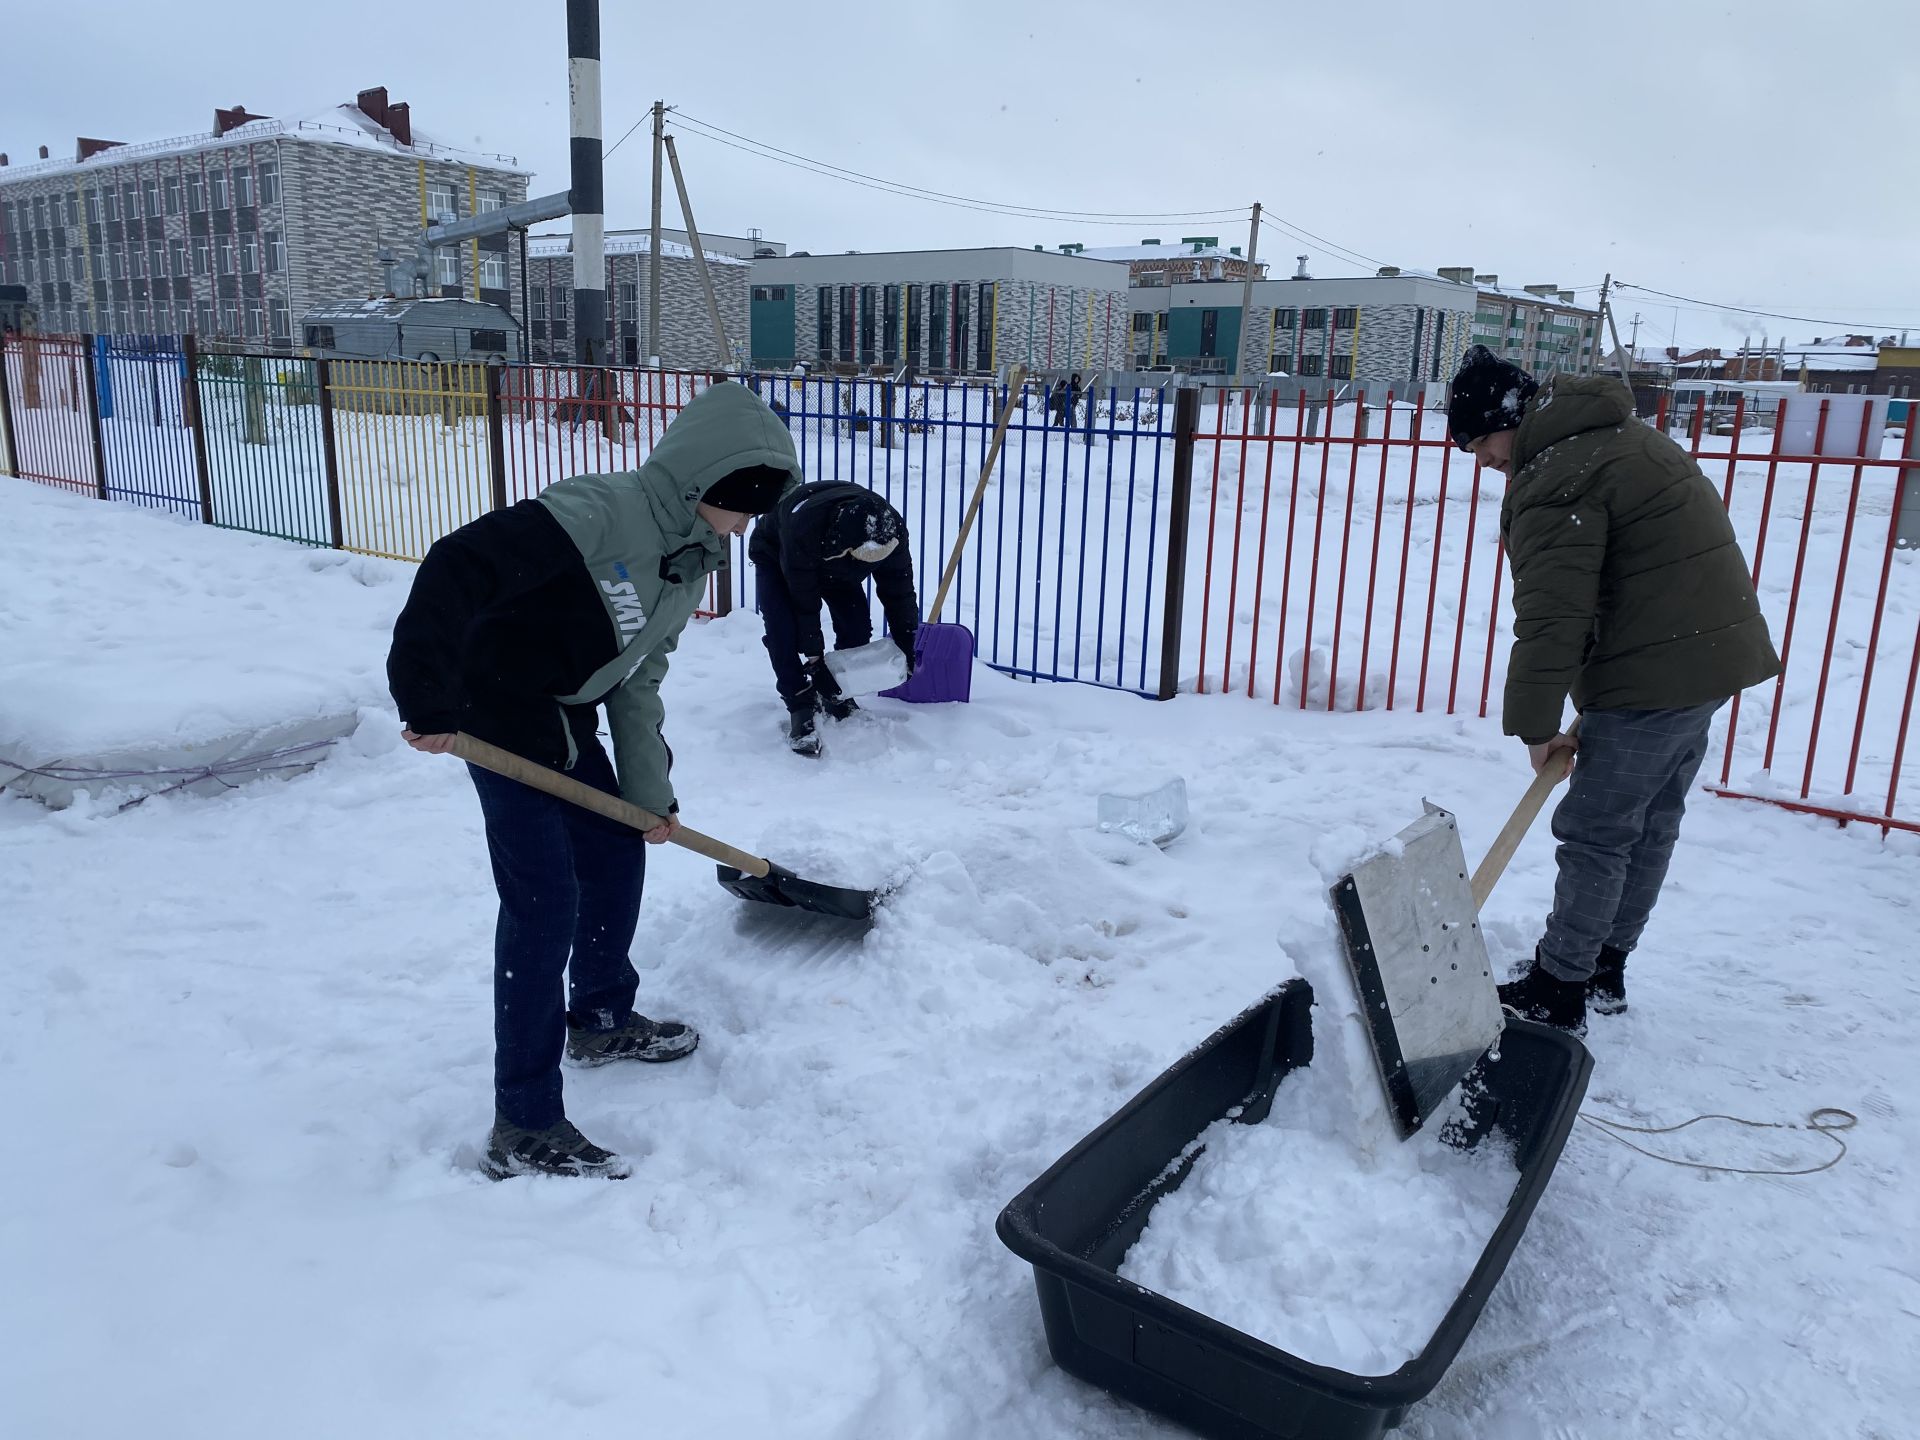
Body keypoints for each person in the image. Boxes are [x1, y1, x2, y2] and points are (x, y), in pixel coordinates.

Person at [386, 382, 800, 1179]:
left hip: (567, 709)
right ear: (706, 485)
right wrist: (425, 691)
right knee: (544, 903)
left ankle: (603, 1016)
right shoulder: (601, 510)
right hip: (495, 711)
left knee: (616, 850)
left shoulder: (689, 562)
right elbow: (457, 565)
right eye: (745, 503)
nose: (750, 524)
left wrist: (648, 795)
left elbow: (638, 683)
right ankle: (526, 1124)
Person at [1446, 345, 1780, 1035]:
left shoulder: (1556, 477)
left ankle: (1561, 986)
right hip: (1707, 658)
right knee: (1649, 821)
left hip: (1654, 671)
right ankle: (1603, 966)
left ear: (1509, 419)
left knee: (1596, 831)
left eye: (1480, 442)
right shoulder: (1618, 439)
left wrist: (1536, 726)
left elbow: (1553, 617)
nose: (1483, 461)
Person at [747, 480, 919, 757]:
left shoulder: (890, 529)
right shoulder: (804, 528)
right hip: (780, 555)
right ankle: (800, 704)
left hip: (839, 565)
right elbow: (805, 604)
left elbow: (899, 590)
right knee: (783, 630)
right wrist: (815, 661)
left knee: (856, 626)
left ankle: (839, 692)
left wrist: (907, 641)